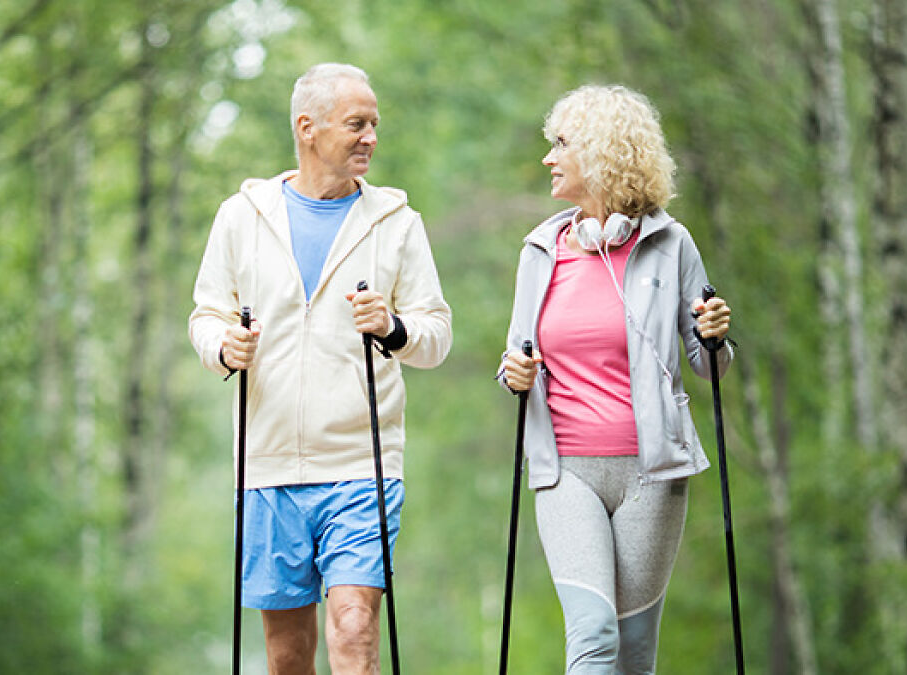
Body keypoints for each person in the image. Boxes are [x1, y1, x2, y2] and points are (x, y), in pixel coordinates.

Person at [189, 63, 452, 673]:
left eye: (375, 125)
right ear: (307, 128)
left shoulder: (396, 224)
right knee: (287, 654)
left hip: (362, 464)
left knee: (355, 628)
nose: (371, 138)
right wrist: (224, 346)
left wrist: (392, 327)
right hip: (268, 463)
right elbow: (205, 315)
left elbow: (435, 335)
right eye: (356, 124)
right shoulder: (241, 216)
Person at [496, 84, 733, 674]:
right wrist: (515, 373)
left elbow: (709, 366)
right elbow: (514, 359)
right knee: (593, 634)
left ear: (602, 152)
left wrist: (714, 337)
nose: (548, 157)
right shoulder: (541, 250)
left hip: (652, 472)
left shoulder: (670, 244)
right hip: (565, 471)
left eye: (561, 144)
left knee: (633, 653)